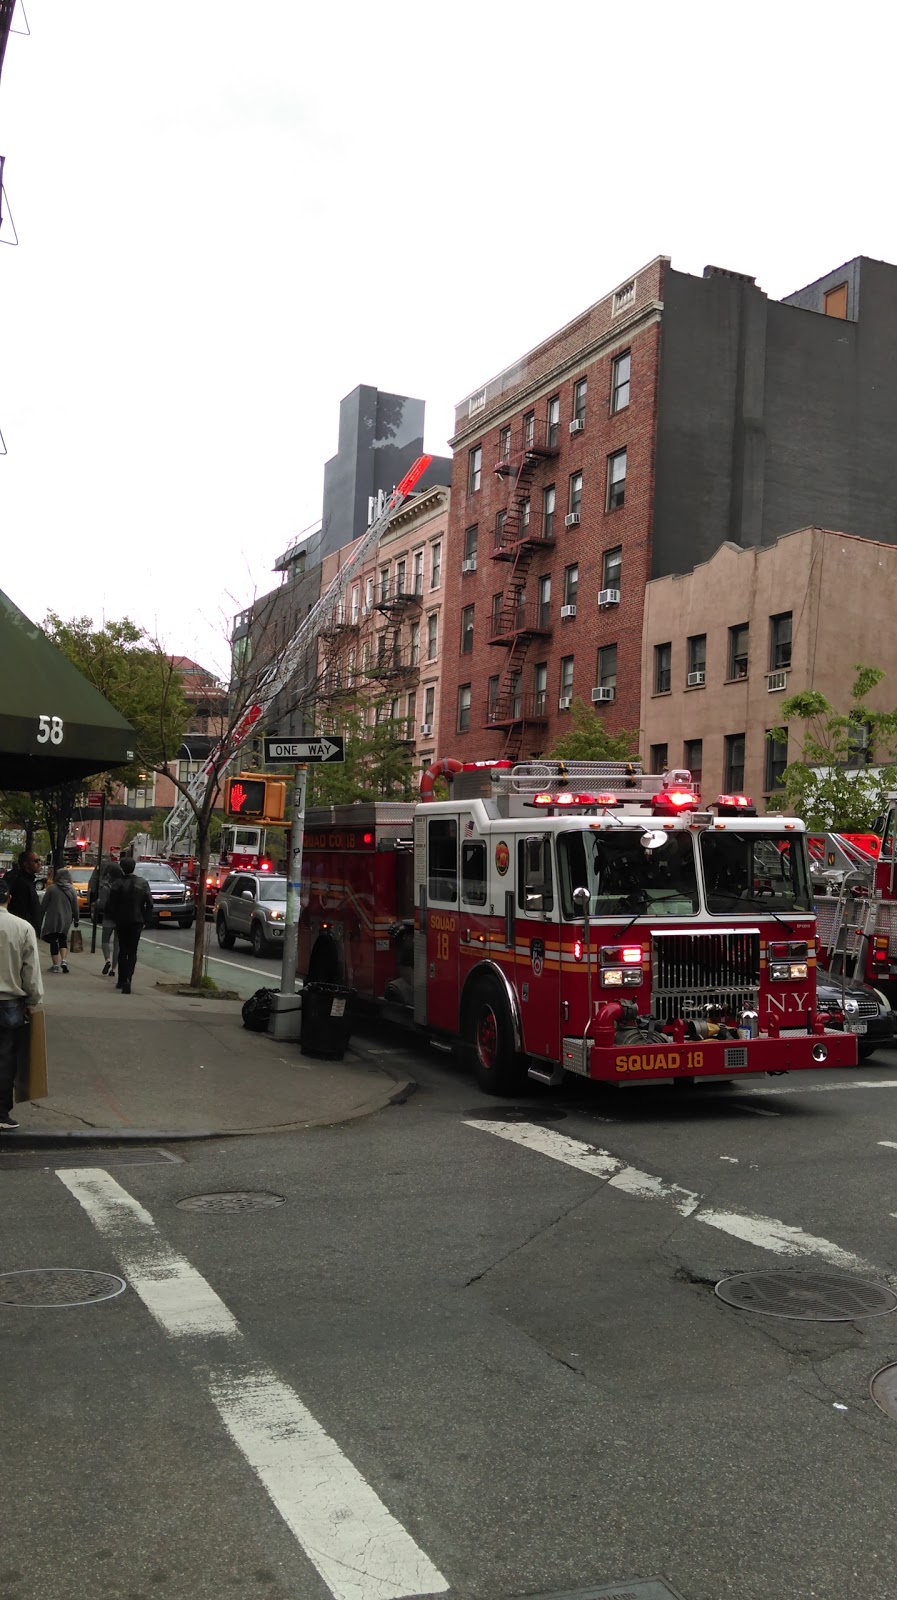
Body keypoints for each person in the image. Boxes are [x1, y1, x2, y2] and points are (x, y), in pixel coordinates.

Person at [0, 877, 44, 1131]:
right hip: (9, 1002)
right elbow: (31, 970)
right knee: (5, 1059)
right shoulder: (22, 927)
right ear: (9, 899)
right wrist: (33, 999)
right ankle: (1, 1112)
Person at [106, 857, 153, 994]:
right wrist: (146, 920)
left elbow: (110, 905)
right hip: (136, 921)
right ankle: (128, 979)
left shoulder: (117, 883)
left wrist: (113, 917)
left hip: (122, 921)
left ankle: (121, 979)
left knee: (123, 949)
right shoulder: (143, 883)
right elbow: (149, 903)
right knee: (132, 951)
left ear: (122, 867)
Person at [40, 867, 80, 974]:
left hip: (52, 918)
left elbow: (44, 905)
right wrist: (76, 919)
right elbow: (75, 907)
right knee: (63, 938)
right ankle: (64, 960)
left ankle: (55, 965)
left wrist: (40, 916)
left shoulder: (51, 888)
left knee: (53, 940)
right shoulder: (71, 889)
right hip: (66, 918)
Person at [3, 850, 42, 936]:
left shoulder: (28, 881)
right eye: (36, 861)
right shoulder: (21, 883)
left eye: (39, 860)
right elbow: (21, 911)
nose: (39, 863)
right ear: (26, 864)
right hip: (22, 934)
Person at [96, 861, 123, 977]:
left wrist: (96, 903)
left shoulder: (106, 887)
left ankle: (107, 959)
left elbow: (102, 904)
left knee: (105, 941)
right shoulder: (123, 886)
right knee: (117, 945)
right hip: (119, 919)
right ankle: (114, 969)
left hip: (108, 917)